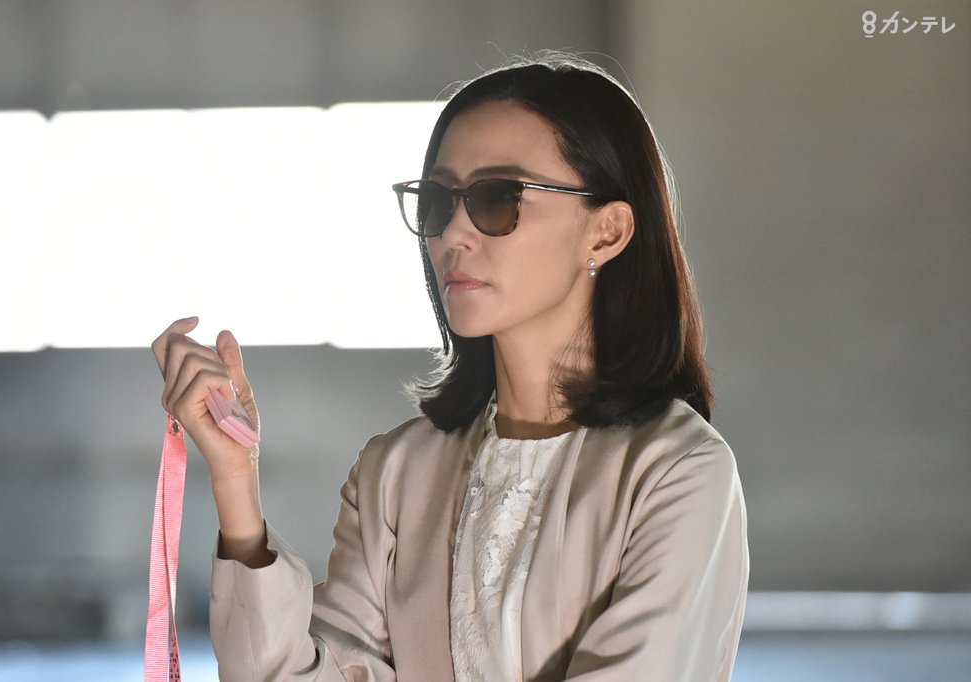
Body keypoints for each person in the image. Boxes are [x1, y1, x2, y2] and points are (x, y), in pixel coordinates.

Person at [152, 53, 749, 681]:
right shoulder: (395, 472)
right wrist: (236, 482)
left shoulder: (677, 472)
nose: (453, 234)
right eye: (439, 201)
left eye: (497, 199)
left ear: (606, 232)